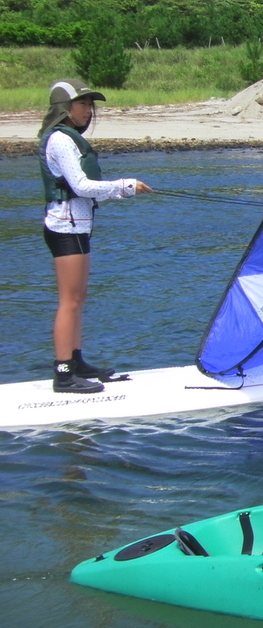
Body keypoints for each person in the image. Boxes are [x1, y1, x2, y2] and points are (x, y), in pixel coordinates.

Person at [38, 78, 153, 393]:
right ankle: (63, 374)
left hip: (77, 226)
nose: (88, 111)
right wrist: (125, 185)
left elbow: (89, 194)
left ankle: (76, 362)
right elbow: (81, 187)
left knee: (78, 299)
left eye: (90, 105)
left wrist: (126, 192)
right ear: (65, 107)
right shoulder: (61, 140)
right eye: (82, 104)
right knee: (70, 301)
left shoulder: (70, 139)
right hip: (65, 227)